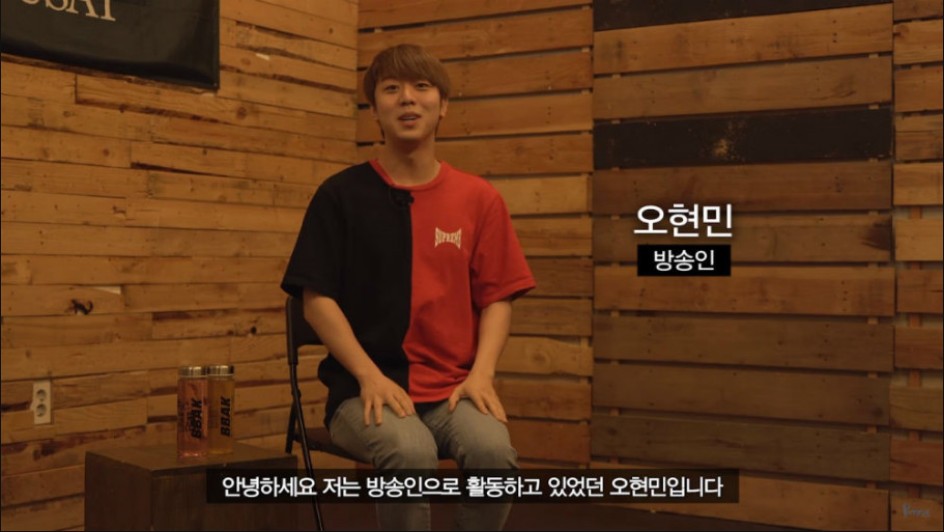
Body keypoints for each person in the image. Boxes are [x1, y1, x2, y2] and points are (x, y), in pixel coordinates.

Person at [281, 43, 536, 531]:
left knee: (493, 455)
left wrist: (481, 375)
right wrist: (369, 376)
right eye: (391, 89)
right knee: (410, 452)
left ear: (444, 105)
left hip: (451, 390)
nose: (407, 99)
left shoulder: (479, 198)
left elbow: (498, 297)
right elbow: (315, 301)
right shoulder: (340, 195)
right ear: (374, 108)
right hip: (362, 390)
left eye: (422, 87)